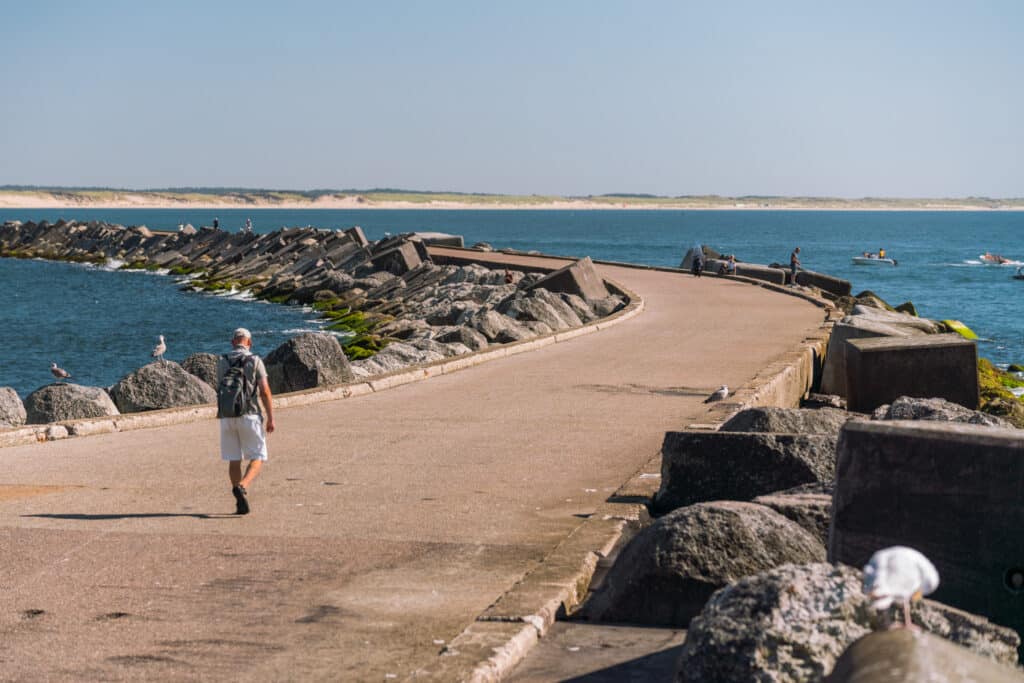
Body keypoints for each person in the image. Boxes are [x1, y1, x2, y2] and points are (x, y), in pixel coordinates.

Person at [216, 327, 275, 514]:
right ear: (249, 342)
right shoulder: (255, 360)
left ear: (233, 342)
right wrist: (271, 418)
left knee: (234, 460)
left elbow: (219, 387)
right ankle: (242, 486)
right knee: (258, 456)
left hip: (226, 417)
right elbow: (264, 391)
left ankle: (239, 504)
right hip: (249, 414)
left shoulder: (222, 362)